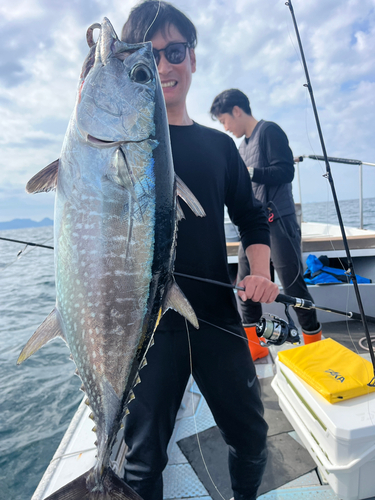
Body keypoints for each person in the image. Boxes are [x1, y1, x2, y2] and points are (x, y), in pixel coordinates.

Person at [120, 3, 279, 500]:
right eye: (150, 55)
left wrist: (259, 271)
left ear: (193, 59)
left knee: (251, 438)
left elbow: (252, 219)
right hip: (147, 329)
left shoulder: (218, 147)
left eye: (175, 51)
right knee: (143, 461)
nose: (165, 66)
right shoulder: (122, 143)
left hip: (214, 318)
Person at [210, 89, 322, 346]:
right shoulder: (240, 147)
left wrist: (249, 172)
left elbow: (285, 171)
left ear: (236, 111)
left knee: (292, 285)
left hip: (279, 220)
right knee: (244, 285)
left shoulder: (269, 131)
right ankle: (253, 345)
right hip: (254, 227)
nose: (225, 127)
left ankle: (314, 341)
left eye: (224, 120)